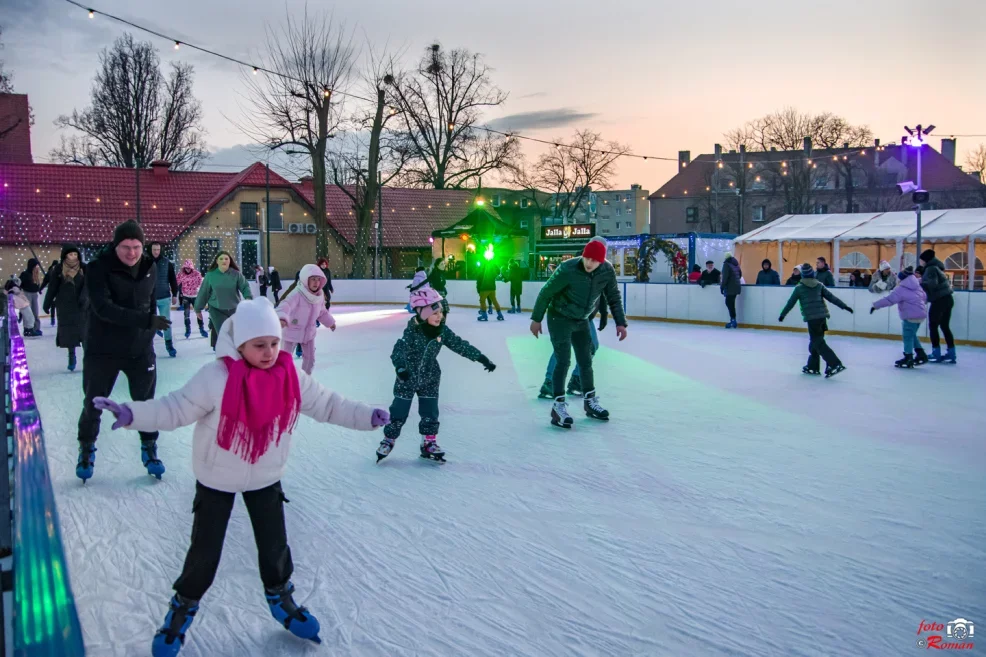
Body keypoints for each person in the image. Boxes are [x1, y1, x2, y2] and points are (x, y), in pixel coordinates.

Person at [90, 297, 388, 656]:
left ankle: (281, 598)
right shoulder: (215, 377)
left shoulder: (288, 374)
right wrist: (130, 413)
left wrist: (366, 415)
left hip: (265, 476)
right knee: (205, 551)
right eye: (259, 345)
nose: (269, 352)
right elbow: (174, 408)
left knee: (275, 545)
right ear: (240, 344)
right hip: (217, 478)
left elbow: (327, 404)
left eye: (275, 343)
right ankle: (182, 609)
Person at [76, 220, 171, 482]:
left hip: (139, 349)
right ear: (115, 245)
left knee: (145, 402)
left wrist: (148, 331)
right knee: (94, 402)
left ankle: (149, 448)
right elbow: (102, 308)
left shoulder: (150, 267)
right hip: (102, 348)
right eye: (126, 247)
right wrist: (146, 321)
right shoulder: (97, 268)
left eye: (137, 247)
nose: (132, 253)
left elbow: (149, 303)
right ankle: (86, 448)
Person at [376, 284, 495, 462]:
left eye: (441, 312)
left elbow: (460, 345)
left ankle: (428, 442)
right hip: (407, 378)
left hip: (430, 377)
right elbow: (398, 350)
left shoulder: (442, 331)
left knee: (430, 412)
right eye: (435, 313)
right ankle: (388, 440)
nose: (440, 316)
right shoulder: (411, 332)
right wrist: (401, 368)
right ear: (422, 313)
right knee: (398, 412)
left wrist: (481, 358)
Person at [530, 239, 627, 428]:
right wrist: (536, 319)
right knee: (563, 360)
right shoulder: (568, 268)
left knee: (585, 360)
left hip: (582, 319)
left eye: (594, 260)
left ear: (601, 261)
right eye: (587, 258)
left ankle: (590, 402)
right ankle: (558, 406)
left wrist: (620, 323)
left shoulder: (606, 271)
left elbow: (613, 296)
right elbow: (546, 292)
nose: (589, 263)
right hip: (560, 317)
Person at [778, 263, 853, 378]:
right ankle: (813, 366)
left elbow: (790, 303)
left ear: (802, 275)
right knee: (815, 342)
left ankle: (834, 364)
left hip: (812, 319)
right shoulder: (819, 285)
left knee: (818, 342)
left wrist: (782, 315)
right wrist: (844, 306)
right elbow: (832, 298)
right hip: (822, 317)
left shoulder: (799, 288)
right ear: (812, 274)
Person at [275, 264, 337, 375]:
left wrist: (330, 322)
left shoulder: (319, 296)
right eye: (313, 279)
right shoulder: (297, 294)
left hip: (309, 333)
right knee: (284, 359)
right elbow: (286, 304)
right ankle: (281, 379)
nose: (316, 282)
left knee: (310, 360)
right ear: (305, 279)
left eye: (318, 279)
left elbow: (322, 312)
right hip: (291, 330)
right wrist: (282, 317)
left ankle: (305, 379)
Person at [870, 266, 929, 368]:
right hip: (921, 315)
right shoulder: (917, 286)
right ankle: (921, 354)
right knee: (912, 335)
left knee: (907, 337)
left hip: (910, 316)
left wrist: (875, 305)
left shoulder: (901, 289)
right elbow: (924, 297)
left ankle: (908, 357)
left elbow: (889, 300)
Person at [42, 245, 87, 371]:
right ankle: (71, 357)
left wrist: (85, 297)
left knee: (84, 333)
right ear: (65, 256)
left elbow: (90, 285)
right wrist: (47, 303)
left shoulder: (84, 268)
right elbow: (52, 287)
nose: (73, 257)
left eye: (75, 254)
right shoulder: (58, 269)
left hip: (81, 306)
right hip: (65, 306)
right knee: (69, 334)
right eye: (70, 254)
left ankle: (88, 359)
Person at [195, 251, 252, 350]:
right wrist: (198, 308)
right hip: (217, 309)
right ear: (217, 261)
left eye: (226, 259)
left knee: (235, 335)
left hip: (234, 309)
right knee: (224, 334)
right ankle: (225, 356)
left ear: (230, 261)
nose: (224, 261)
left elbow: (245, 287)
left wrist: (248, 298)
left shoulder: (236, 274)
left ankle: (236, 357)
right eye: (221, 259)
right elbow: (204, 292)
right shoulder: (210, 275)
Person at [919, 249, 956, 363]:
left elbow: (932, 284)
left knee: (933, 325)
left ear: (925, 260)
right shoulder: (936, 267)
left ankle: (936, 352)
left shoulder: (930, 269)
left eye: (921, 259)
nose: (920, 262)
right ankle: (951, 352)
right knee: (944, 326)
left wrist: (919, 282)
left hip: (939, 300)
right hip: (947, 299)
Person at [149, 242, 180, 358]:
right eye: (154, 249)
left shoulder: (167, 262)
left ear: (160, 250)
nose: (156, 252)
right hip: (149, 298)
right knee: (149, 323)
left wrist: (175, 294)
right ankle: (148, 347)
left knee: (166, 323)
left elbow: (173, 279)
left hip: (164, 297)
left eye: (157, 249)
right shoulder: (145, 261)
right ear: (150, 250)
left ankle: (169, 345)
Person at [176, 260, 209, 339]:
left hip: (195, 296)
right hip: (186, 296)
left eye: (189, 268)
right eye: (186, 268)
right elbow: (176, 282)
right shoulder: (181, 274)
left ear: (191, 268)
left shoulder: (196, 274)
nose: (187, 269)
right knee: (186, 314)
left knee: (198, 312)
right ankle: (188, 330)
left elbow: (201, 282)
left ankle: (201, 329)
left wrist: (198, 288)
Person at [19, 258, 45, 336]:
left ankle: (36, 328)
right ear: (31, 265)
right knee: (28, 313)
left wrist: (39, 289)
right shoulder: (25, 274)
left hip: (34, 294)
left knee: (35, 312)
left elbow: (37, 285)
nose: (37, 267)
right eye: (35, 265)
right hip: (27, 294)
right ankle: (27, 329)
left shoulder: (36, 274)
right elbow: (20, 283)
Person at [720, 252, 742, 328]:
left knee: (729, 302)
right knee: (731, 303)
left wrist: (722, 287)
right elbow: (740, 274)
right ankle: (733, 319)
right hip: (736, 287)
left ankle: (733, 320)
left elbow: (724, 278)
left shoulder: (726, 265)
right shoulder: (735, 264)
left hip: (730, 287)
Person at [42, 259, 59, 325]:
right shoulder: (55, 271)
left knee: (53, 307)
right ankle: (53, 320)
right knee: (55, 306)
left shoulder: (50, 271)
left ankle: (53, 320)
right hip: (56, 292)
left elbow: (45, 281)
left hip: (53, 291)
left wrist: (40, 288)